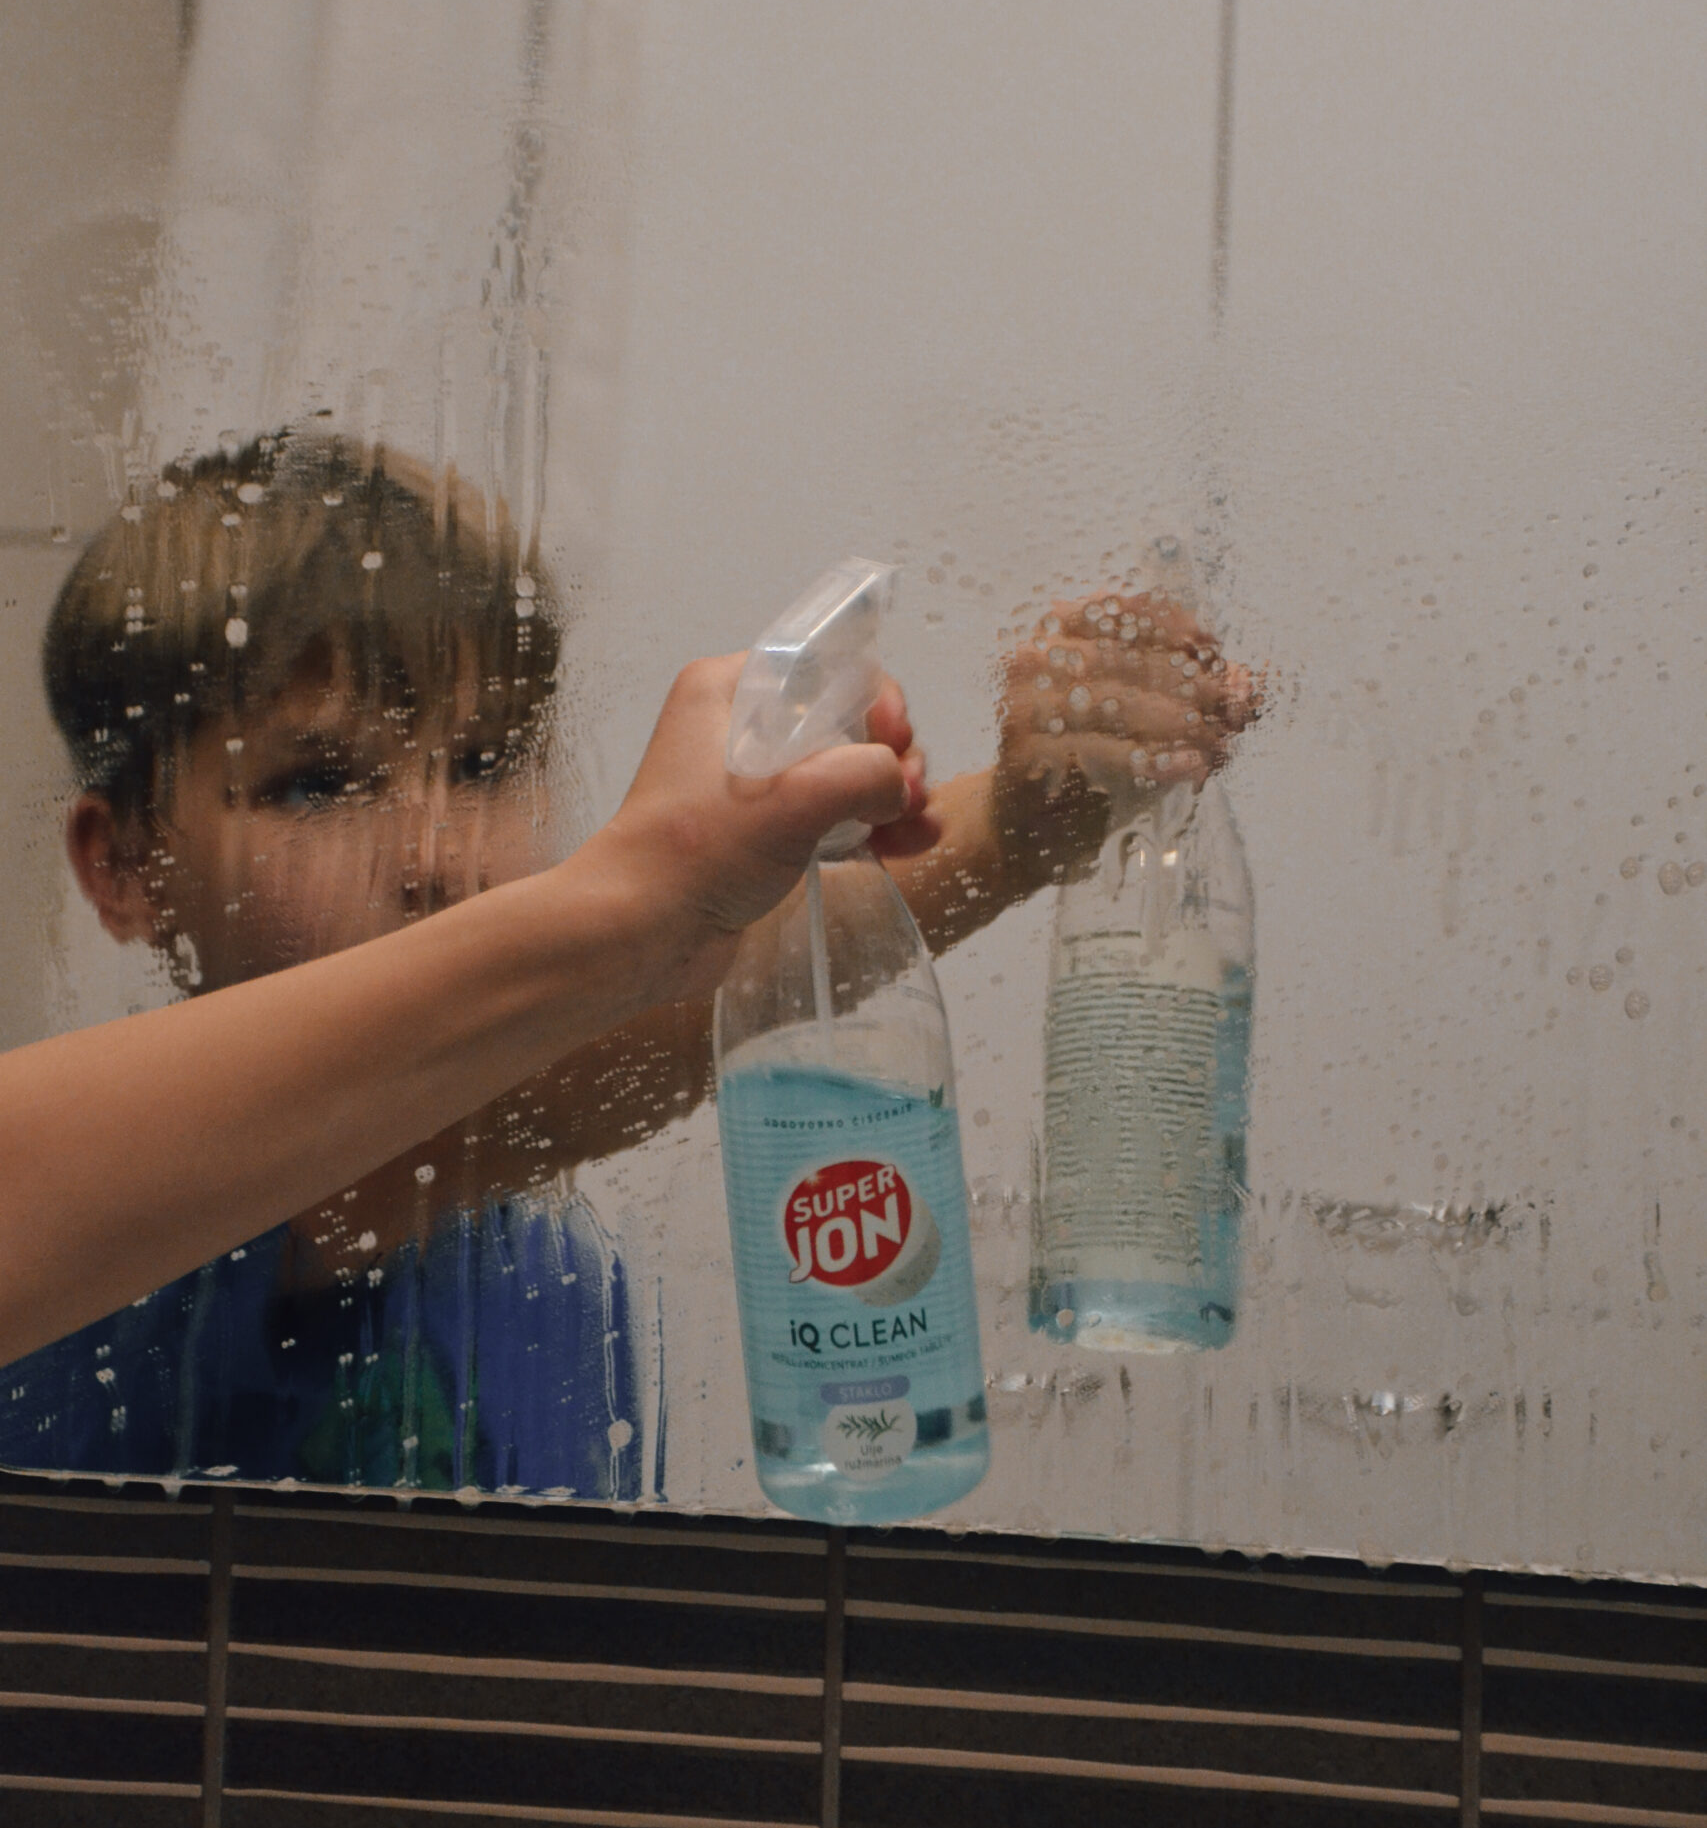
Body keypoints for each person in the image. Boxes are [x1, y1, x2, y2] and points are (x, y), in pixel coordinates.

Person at [0, 433, 1253, 1489]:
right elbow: (496, 1103)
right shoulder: (128, 1238)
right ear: (125, 864)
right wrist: (1000, 835)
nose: (434, 855)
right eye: (319, 784)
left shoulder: (554, 1278)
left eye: (483, 764)